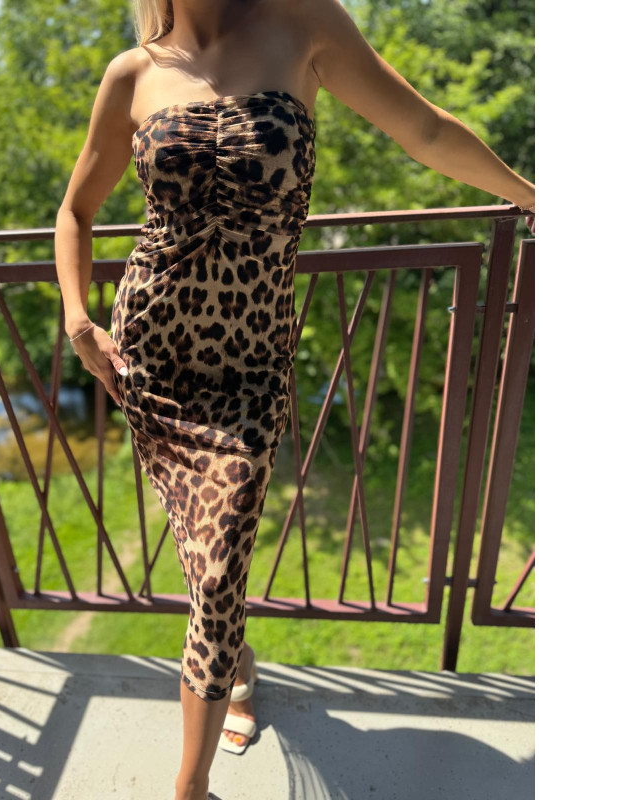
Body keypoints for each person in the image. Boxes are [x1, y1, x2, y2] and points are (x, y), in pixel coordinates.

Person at [54, 1, 535, 798]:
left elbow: (424, 130)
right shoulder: (132, 72)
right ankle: (234, 665)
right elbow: (76, 211)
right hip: (151, 356)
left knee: (215, 568)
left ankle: (189, 785)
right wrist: (78, 320)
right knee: (208, 558)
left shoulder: (305, 22)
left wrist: (534, 196)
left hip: (250, 361)